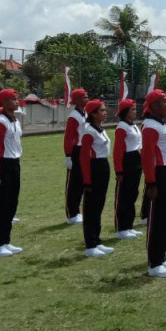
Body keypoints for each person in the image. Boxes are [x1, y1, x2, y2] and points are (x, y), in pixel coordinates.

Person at [141, 89, 166, 278]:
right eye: (164, 101)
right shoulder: (150, 126)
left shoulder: (163, 124)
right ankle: (154, 263)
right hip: (159, 174)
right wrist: (151, 183)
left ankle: (161, 258)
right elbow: (147, 157)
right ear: (154, 105)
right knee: (157, 219)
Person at [0, 89, 24, 258]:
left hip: (14, 163)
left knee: (11, 203)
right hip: (3, 165)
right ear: (3, 102)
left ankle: (6, 240)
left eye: (16, 99)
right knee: (0, 205)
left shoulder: (15, 121)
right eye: (12, 99)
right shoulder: (0, 122)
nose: (16, 102)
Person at [79, 99, 115, 257]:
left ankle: (97, 240)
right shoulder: (89, 131)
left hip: (103, 166)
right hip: (93, 168)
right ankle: (90, 244)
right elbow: (84, 157)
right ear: (93, 114)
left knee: (99, 205)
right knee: (91, 207)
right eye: (101, 110)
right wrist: (87, 179)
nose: (105, 113)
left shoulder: (99, 128)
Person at [112, 98, 143, 240]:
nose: (135, 112)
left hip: (136, 162)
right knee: (123, 196)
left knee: (132, 194)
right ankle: (121, 227)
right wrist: (119, 170)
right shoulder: (121, 127)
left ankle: (129, 225)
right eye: (132, 109)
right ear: (125, 112)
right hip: (127, 162)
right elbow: (118, 151)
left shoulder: (133, 125)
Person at [63, 88, 88, 225]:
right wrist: (68, 155)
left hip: (84, 150)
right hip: (76, 150)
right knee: (74, 183)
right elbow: (69, 137)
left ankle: (78, 210)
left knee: (83, 181)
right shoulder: (74, 116)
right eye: (84, 97)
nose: (87, 99)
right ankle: (72, 213)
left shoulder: (85, 113)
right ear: (77, 100)